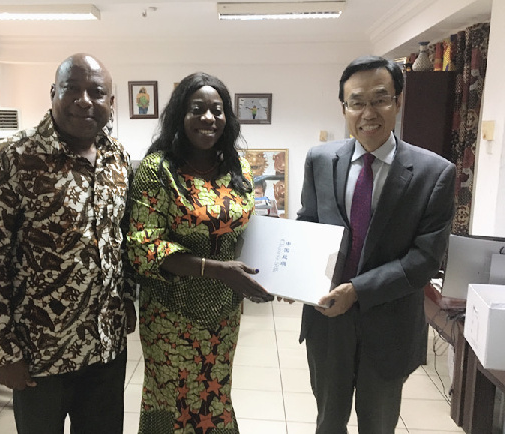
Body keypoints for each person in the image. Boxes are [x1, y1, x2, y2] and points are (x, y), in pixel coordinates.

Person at [0, 53, 135, 434]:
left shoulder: (118, 159)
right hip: (39, 356)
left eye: (97, 92)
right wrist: (4, 349)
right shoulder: (10, 157)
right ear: (53, 92)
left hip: (105, 350)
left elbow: (116, 242)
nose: (84, 100)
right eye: (72, 88)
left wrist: (125, 299)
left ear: (111, 103)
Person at [296, 55, 456, 433]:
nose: (369, 112)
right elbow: (308, 222)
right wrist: (296, 274)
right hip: (327, 322)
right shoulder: (319, 160)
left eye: (380, 99)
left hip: (390, 326)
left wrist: (358, 291)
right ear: (344, 108)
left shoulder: (435, 173)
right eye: (357, 102)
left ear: (398, 101)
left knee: (378, 425)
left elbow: (424, 259)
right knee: (328, 421)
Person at [126, 71, 273, 433]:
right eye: (197, 109)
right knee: (171, 400)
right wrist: (218, 269)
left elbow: (246, 229)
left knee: (216, 394)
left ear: (227, 118)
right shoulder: (158, 169)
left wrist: (271, 276)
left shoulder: (236, 168)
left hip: (223, 314)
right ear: (180, 115)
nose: (208, 117)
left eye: (217, 110)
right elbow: (143, 246)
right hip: (170, 315)